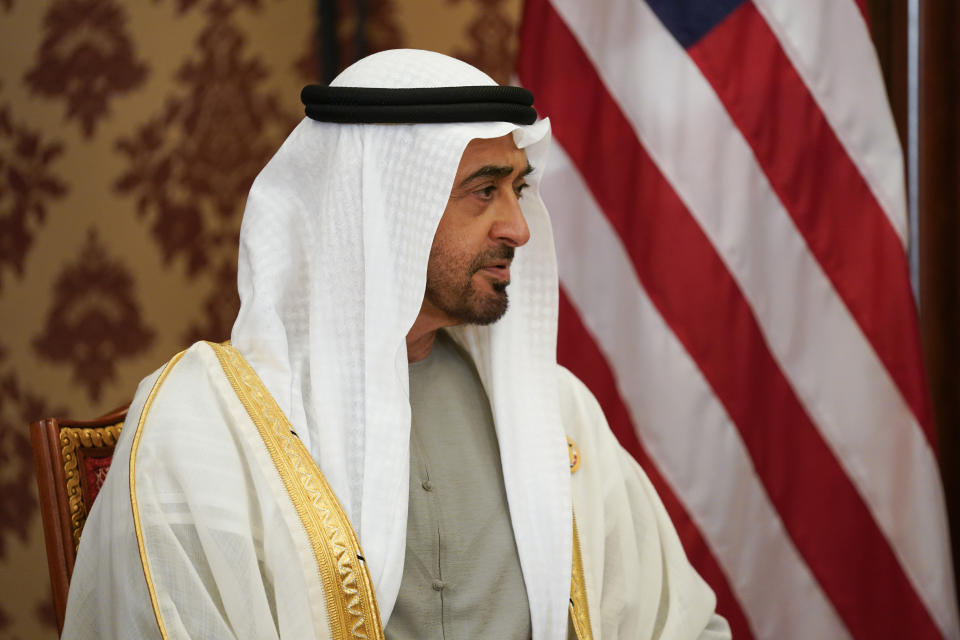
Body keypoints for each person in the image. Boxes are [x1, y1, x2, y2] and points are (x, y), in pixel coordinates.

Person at [61, 49, 731, 639]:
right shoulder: (206, 424)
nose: (519, 227)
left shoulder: (556, 412)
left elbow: (677, 624)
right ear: (383, 207)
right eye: (484, 191)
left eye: (518, 188)